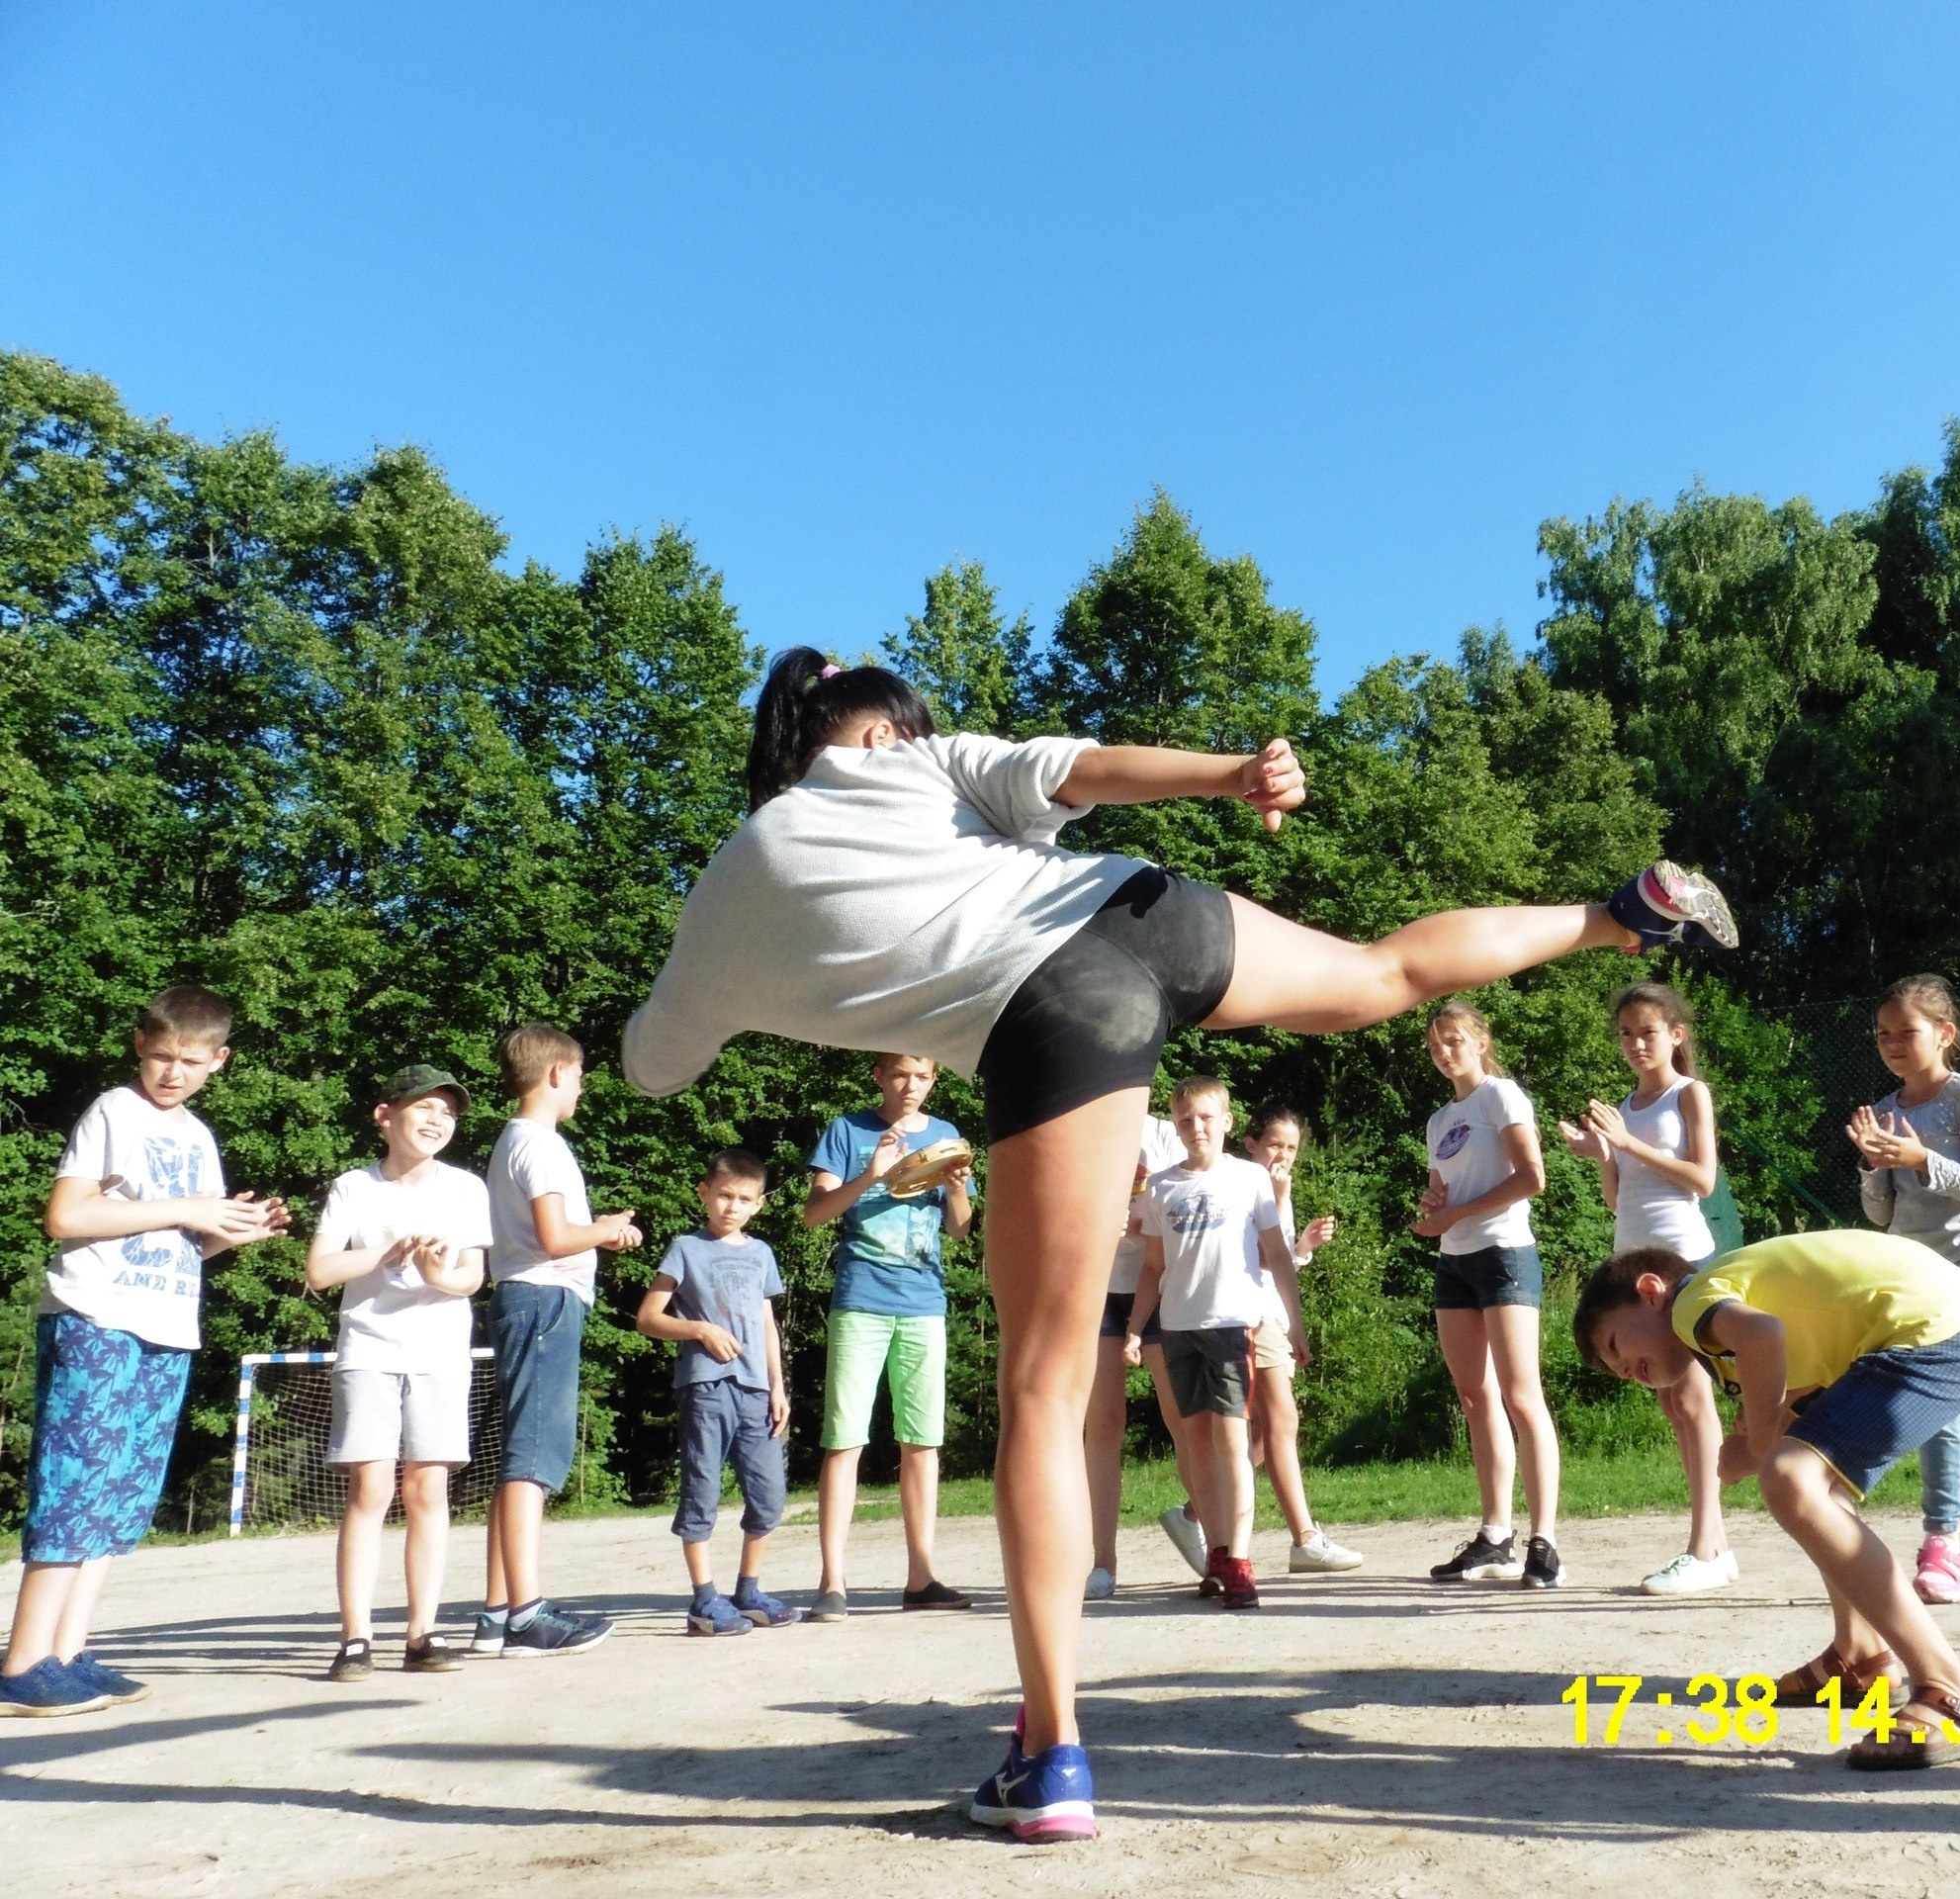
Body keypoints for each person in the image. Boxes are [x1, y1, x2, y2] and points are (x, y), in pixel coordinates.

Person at [622, 651, 1735, 1840]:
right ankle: (1621, 916)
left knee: (1046, 1390)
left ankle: (1049, 1754)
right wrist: (1231, 773)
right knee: (1378, 972)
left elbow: (653, 1062)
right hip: (1143, 912)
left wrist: (737, 985)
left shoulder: (740, 877)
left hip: (1052, 1010)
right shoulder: (930, 768)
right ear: (880, 732)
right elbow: (1084, 769)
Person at [1573, 1228, 1960, 1768]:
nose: (1629, 1372)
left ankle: (1950, 1692)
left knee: (1789, 1477)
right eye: (1619, 1374)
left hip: (1933, 1335)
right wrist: (1765, 1432)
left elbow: (1763, 1336)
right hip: (1941, 1328)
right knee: (1812, 1480)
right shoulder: (1725, 1315)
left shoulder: (1691, 1302)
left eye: (1617, 1346)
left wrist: (1757, 1446)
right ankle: (1860, 1657)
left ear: (1650, 1290)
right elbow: (1790, 1380)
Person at [4, 986, 291, 1718]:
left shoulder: (197, 1135)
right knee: (78, 1484)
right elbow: (65, 1215)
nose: (173, 1072)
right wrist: (191, 1209)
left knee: (121, 1495)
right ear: (140, 1045)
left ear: (218, 1061)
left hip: (165, 1323)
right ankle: (22, 1663)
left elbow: (191, 1242)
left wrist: (236, 1229)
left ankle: (68, 1652)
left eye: (191, 1061)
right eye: (161, 1056)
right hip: (97, 1317)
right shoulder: (114, 1111)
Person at [1847, 973, 1960, 1604]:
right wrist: (1877, 1166)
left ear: (1945, 1034)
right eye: (1882, 1034)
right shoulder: (1888, 1108)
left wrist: (1921, 1159)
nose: (1893, 1043)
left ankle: (1942, 1544)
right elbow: (1879, 1214)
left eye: (1907, 1032)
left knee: (1937, 1394)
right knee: (1953, 1402)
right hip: (1912, 1267)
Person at [305, 1064, 492, 1682]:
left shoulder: (465, 1188)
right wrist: (385, 1256)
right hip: (370, 1351)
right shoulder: (353, 1188)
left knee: (427, 1490)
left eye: (449, 1111)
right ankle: (355, 1637)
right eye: (424, 1107)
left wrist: (441, 1276)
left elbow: (471, 1278)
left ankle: (422, 1633)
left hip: (440, 1354)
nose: (439, 1120)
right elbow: (320, 1271)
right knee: (371, 1489)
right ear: (385, 1116)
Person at [1558, 981, 1735, 1596]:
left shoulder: (1690, 1094)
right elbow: (1617, 1197)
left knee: (1691, 1399)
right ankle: (1714, 1548)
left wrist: (1627, 1143)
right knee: (1670, 1400)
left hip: (1681, 1257)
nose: (1636, 1044)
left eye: (1648, 1032)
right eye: (1627, 1034)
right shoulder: (1627, 1107)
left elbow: (1702, 1180)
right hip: (1630, 1259)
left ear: (1676, 1035)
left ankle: (1706, 1549)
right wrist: (1602, 1153)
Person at [477, 1025, 643, 1660]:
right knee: (533, 1458)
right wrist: (605, 1231)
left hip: (529, 1302)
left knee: (520, 1453)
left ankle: (497, 1614)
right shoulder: (540, 1145)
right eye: (576, 1075)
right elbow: (553, 1237)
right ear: (553, 1075)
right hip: (544, 1300)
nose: (580, 1086)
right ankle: (526, 1616)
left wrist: (597, 1229)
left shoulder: (516, 1141)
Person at [802, 1053, 975, 1616]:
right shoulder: (848, 1129)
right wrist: (871, 1175)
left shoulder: (947, 1135)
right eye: (899, 1074)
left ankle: (921, 1580)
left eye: (921, 1076)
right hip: (862, 1301)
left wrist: (956, 1189)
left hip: (925, 1303)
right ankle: (833, 1582)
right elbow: (815, 1213)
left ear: (933, 1080)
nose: (910, 1086)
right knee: (845, 1439)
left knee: (922, 1443)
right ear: (878, 1076)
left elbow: (960, 1228)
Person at [1119, 1077, 1294, 1609]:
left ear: (1227, 1121)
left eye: (1206, 1117)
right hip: (1176, 1327)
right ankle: (1218, 1554)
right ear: (1175, 1125)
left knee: (1232, 1442)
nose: (1197, 1128)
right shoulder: (1162, 1187)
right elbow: (1153, 1268)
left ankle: (1240, 1560)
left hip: (1231, 1324)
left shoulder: (1250, 1179)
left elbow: (1277, 1255)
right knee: (1195, 1442)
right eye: (1186, 1119)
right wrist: (1133, 1328)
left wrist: (1297, 1324)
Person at [1418, 1002, 1563, 1590]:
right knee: (1475, 1397)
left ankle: (1545, 1540)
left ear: (1480, 1040)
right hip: (1455, 1260)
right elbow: (1440, 1193)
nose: (1445, 1052)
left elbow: (1533, 1177)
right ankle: (1495, 1534)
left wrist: (1456, 1212)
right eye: (1435, 1045)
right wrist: (1432, 1214)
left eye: (1454, 1040)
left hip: (1505, 1253)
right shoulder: (1437, 1121)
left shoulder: (1500, 1096)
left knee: (1521, 1395)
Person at [635, 1148, 800, 1636]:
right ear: (705, 1193)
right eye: (724, 1195)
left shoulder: (762, 1254)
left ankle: (748, 1591)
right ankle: (704, 1599)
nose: (731, 1206)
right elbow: (649, 1318)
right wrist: (700, 1331)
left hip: (756, 1390)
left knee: (769, 1495)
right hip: (706, 1386)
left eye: (743, 1198)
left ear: (758, 1204)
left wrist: (778, 1384)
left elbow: (767, 1323)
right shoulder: (686, 1248)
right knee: (703, 1489)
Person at [1238, 1107, 1361, 1575]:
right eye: (1274, 1144)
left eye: (1291, 1147)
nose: (1283, 1155)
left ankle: (1196, 1515)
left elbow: (1281, 1258)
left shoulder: (1272, 1189)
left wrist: (1303, 1247)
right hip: (1253, 1313)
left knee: (1261, 1436)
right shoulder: (1245, 1184)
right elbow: (1262, 1260)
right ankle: (1305, 1539)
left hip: (1272, 1312)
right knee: (1280, 1420)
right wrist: (1280, 1196)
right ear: (1250, 1142)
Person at [1087, 1109, 1187, 1599]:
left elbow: (1193, 1207)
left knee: (1183, 1419)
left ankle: (1214, 1543)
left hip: (1160, 1286)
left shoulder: (1168, 1134)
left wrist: (1145, 1228)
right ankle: (1102, 1561)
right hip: (1097, 1288)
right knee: (1103, 1423)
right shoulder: (1080, 1126)